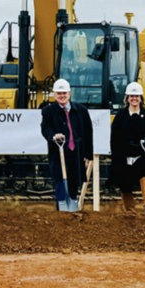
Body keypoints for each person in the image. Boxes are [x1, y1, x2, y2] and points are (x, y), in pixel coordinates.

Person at [40, 78, 94, 207]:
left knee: (74, 183)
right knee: (60, 182)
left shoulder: (81, 110)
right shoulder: (48, 112)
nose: (62, 96)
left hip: (76, 153)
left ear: (69, 93)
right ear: (54, 95)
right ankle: (61, 208)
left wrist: (87, 155)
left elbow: (88, 133)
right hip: (59, 154)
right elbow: (45, 128)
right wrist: (53, 136)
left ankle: (72, 208)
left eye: (64, 93)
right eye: (59, 93)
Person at [110, 82, 145, 212]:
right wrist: (117, 155)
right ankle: (130, 210)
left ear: (141, 98)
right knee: (125, 184)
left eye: (136, 96)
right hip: (124, 156)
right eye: (131, 96)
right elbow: (114, 137)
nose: (134, 99)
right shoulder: (120, 116)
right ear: (127, 98)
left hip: (142, 154)